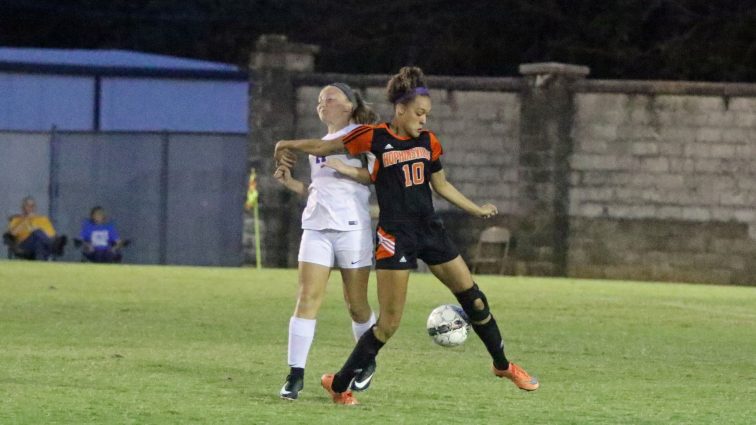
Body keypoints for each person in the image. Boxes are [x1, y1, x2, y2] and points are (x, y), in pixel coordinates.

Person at [274, 67, 539, 405]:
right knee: (387, 324)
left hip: (431, 231)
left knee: (473, 298)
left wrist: (474, 208)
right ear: (400, 109)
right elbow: (326, 147)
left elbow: (440, 185)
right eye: (419, 113)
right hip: (395, 237)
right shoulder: (373, 136)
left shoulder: (429, 142)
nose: (424, 120)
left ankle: (503, 365)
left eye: (427, 114)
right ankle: (339, 384)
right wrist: (287, 143)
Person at [273, 82, 380, 401]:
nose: (323, 103)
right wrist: (293, 184)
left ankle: (367, 362)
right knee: (307, 299)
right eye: (319, 100)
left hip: (352, 229)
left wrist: (346, 168)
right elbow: (320, 188)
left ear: (349, 105)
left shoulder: (361, 135)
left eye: (330, 98)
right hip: (317, 228)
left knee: (356, 305)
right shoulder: (319, 142)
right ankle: (295, 376)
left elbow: (374, 176)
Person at [6, 196, 58, 260]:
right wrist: (27, 219)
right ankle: (51, 248)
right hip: (24, 245)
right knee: (37, 233)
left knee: (39, 240)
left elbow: (52, 235)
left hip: (41, 243)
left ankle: (40, 262)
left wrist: (37, 232)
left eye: (33, 206)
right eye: (28, 205)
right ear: (23, 207)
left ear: (36, 207)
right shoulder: (16, 219)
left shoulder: (43, 219)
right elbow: (12, 234)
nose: (31, 208)